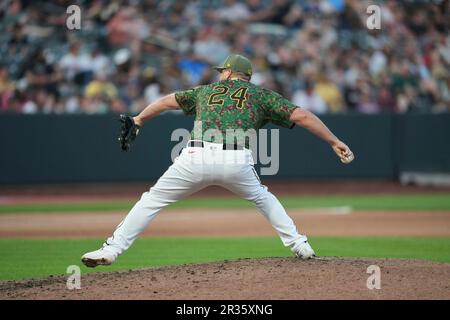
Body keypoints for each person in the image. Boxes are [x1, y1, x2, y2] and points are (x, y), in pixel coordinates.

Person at [81, 54, 354, 267]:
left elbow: (167, 101)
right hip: (235, 160)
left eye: (222, 70)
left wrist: (140, 118)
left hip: (194, 157)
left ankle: (110, 250)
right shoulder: (260, 95)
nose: (220, 74)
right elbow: (303, 116)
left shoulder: (205, 91)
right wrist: (333, 140)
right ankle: (300, 246)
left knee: (151, 200)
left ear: (229, 72)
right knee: (262, 197)